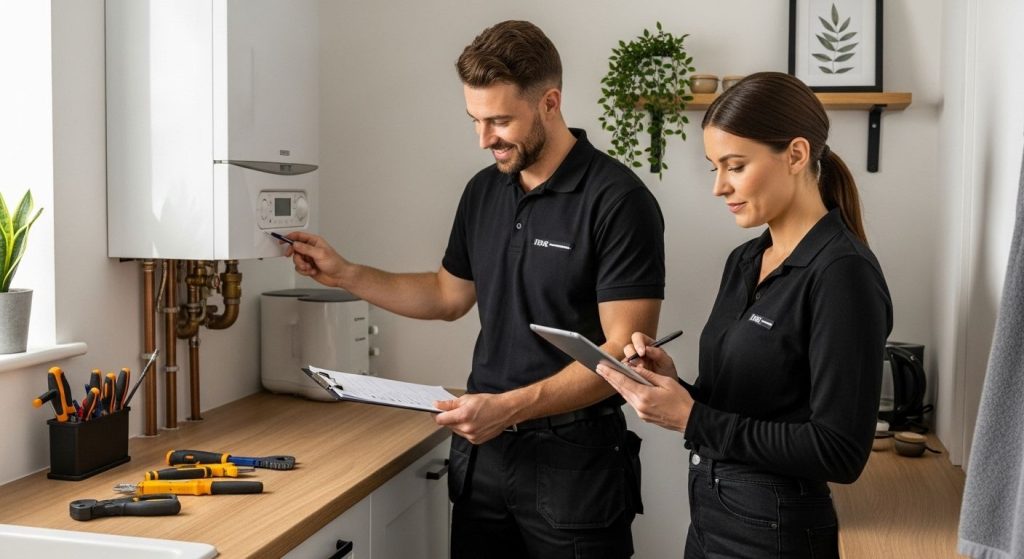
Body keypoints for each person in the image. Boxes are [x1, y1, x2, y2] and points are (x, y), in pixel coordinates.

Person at [284, 20, 665, 559]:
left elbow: (621, 356)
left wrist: (509, 408)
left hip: (574, 468)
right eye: (476, 120)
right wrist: (345, 273)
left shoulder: (618, 200)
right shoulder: (483, 191)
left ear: (550, 102)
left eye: (500, 121)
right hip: (483, 460)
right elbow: (447, 296)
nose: (485, 139)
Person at [595, 72, 893, 559]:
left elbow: (839, 451)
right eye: (715, 167)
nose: (719, 187)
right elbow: (743, 406)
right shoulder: (745, 260)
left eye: (734, 166)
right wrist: (676, 386)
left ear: (796, 155)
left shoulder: (843, 275)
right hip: (710, 516)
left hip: (776, 531)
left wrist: (692, 418)